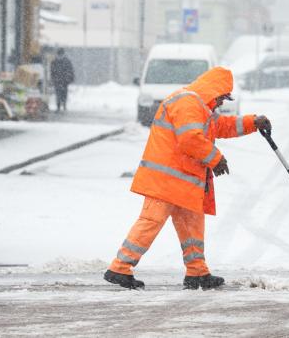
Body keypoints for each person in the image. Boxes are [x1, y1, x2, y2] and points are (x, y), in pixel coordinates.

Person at [103, 67, 272, 290]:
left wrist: (253, 122)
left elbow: (221, 126)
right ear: (213, 90)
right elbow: (189, 139)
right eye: (222, 97)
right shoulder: (187, 102)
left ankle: (197, 272)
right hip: (165, 180)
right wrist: (216, 158)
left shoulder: (201, 108)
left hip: (183, 181)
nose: (222, 102)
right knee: (150, 223)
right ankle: (119, 268)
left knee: (193, 226)